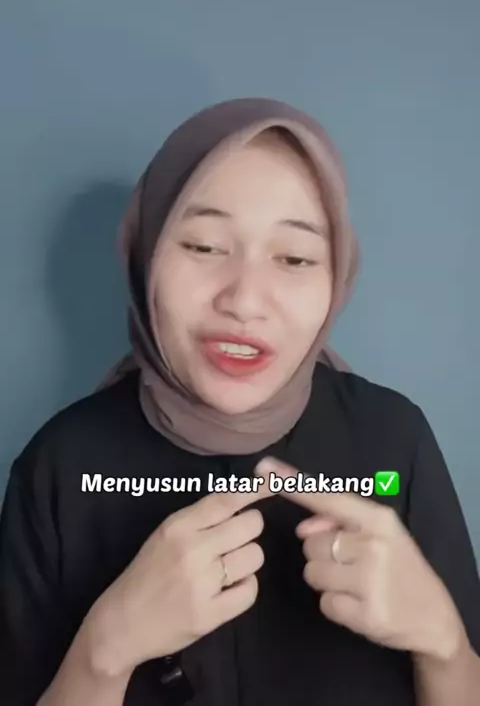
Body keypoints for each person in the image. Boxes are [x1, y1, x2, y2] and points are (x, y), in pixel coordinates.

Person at [0, 97, 479, 706]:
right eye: (203, 246)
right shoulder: (61, 466)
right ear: (146, 256)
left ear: (337, 277)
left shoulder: (393, 439)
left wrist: (442, 644)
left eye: (295, 258)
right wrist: (105, 650)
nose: (246, 300)